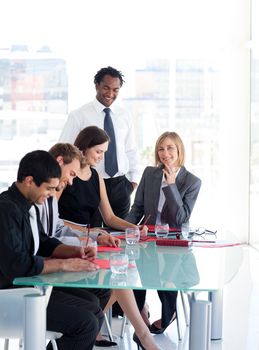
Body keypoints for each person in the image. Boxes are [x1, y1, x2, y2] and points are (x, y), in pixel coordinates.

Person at [39, 142, 160, 349]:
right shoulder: (44, 194)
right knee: (112, 279)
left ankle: (71, 339)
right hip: (42, 277)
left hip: (69, 251)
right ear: (60, 162)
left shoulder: (58, 191)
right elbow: (44, 241)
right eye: (99, 151)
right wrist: (81, 245)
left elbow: (56, 229)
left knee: (105, 290)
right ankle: (142, 335)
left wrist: (93, 237)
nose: (70, 182)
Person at [0, 150, 102, 350]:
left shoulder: (26, 206)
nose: (51, 194)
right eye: (49, 188)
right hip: (11, 296)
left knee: (94, 306)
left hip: (27, 288)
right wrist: (64, 264)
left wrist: (76, 252)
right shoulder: (6, 210)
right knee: (87, 324)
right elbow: (18, 265)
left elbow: (44, 241)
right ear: (29, 181)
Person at [126, 131, 202, 334]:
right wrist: (127, 230)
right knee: (134, 270)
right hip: (147, 238)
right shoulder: (150, 173)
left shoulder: (192, 182)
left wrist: (171, 185)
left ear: (179, 150)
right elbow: (137, 208)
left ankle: (169, 312)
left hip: (174, 241)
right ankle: (139, 311)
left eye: (170, 148)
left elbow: (180, 219)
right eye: (161, 148)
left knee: (168, 273)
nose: (165, 153)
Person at [59, 66, 140, 227]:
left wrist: (132, 183)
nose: (110, 93)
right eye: (106, 88)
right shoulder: (79, 115)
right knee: (94, 234)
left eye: (115, 89)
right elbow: (64, 150)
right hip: (90, 185)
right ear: (97, 85)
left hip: (121, 186)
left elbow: (131, 150)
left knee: (121, 237)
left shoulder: (124, 115)